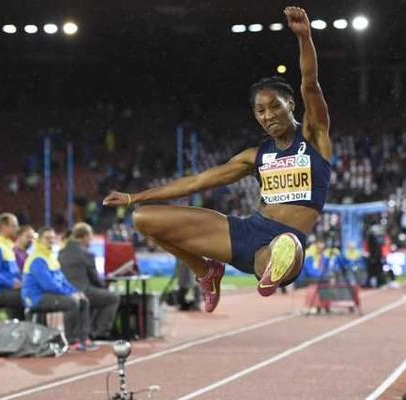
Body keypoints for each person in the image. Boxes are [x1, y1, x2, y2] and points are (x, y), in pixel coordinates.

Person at [103, 6, 331, 313]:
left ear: (290, 104)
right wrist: (134, 196)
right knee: (143, 218)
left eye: (274, 107)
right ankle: (206, 272)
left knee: (285, 249)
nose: (268, 116)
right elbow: (198, 181)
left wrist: (304, 37)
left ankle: (274, 267)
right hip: (246, 232)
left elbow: (310, 84)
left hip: (279, 244)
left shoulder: (315, 137)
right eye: (260, 111)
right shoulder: (255, 156)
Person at [21, 227, 97, 351]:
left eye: (52, 238)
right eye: (47, 238)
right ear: (39, 240)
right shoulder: (37, 258)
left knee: (83, 300)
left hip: (46, 295)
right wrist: (70, 294)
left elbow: (62, 280)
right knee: (72, 302)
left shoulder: (50, 256)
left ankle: (84, 338)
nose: (50, 241)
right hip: (35, 298)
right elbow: (48, 285)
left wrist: (75, 291)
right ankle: (71, 340)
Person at [59, 222, 120, 339]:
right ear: (85, 237)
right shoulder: (86, 253)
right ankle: (100, 332)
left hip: (66, 291)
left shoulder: (62, 252)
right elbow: (95, 278)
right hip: (82, 290)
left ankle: (90, 329)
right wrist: (105, 285)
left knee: (98, 296)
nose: (91, 240)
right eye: (90, 237)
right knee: (112, 298)